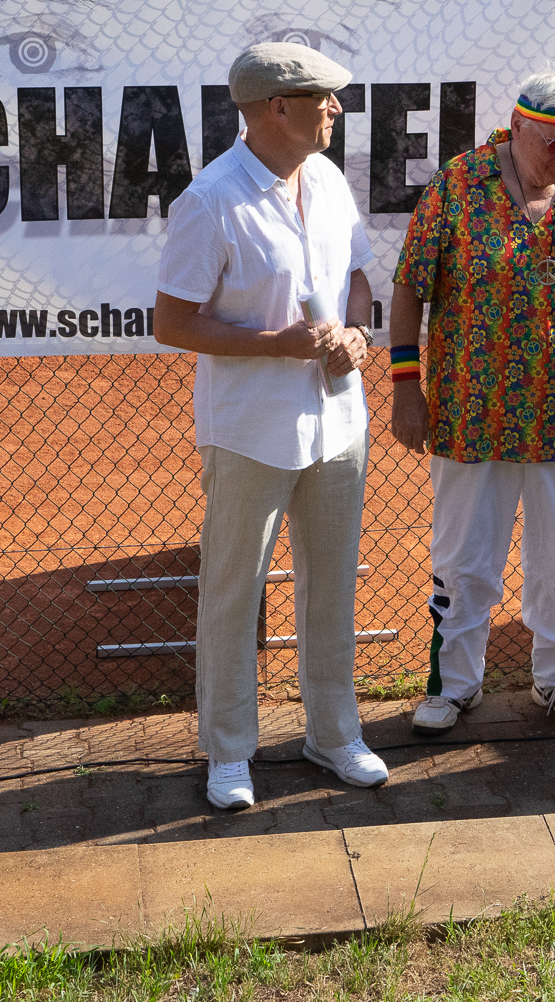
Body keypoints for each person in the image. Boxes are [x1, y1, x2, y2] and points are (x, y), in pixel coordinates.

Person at [155, 42, 388, 810]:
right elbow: (172, 322)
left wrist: (358, 334)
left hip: (338, 424)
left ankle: (334, 734)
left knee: (332, 587)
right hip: (249, 431)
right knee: (233, 593)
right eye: (323, 97)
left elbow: (358, 279)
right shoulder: (211, 200)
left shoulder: (327, 180)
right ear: (277, 108)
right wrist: (276, 345)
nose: (336, 107)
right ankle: (228, 752)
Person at [388, 70, 555, 737]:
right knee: (464, 560)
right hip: (470, 410)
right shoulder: (457, 186)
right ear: (518, 127)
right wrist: (406, 387)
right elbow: (410, 286)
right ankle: (454, 685)